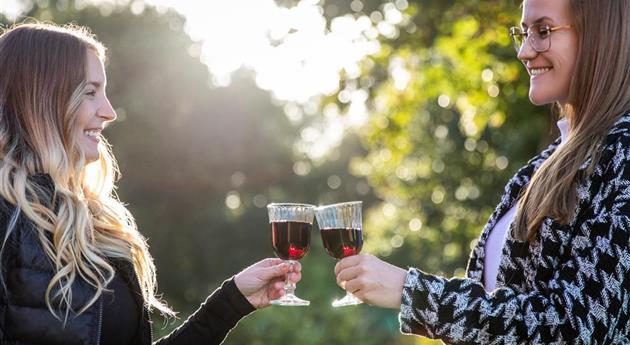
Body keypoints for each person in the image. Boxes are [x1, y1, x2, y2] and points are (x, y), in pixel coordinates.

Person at [334, 0, 630, 343]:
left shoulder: (623, 157)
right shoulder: (538, 170)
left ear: (599, 37)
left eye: (544, 31)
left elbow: (573, 328)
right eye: (524, 32)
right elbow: (487, 315)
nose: (524, 52)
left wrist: (410, 291)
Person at [0, 22, 301, 345]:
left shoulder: (90, 222)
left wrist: (230, 302)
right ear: (42, 100)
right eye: (90, 92)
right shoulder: (7, 218)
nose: (109, 111)